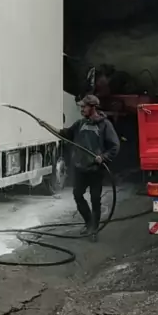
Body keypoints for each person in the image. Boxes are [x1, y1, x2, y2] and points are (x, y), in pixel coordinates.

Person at [59, 94, 120, 240]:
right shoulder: (80, 124)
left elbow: (115, 146)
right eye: (81, 107)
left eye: (84, 107)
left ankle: (94, 229)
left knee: (95, 199)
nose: (81, 109)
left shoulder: (105, 125)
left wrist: (103, 157)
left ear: (93, 107)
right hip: (80, 168)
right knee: (77, 195)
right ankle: (89, 223)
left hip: (95, 170)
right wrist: (47, 126)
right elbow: (66, 134)